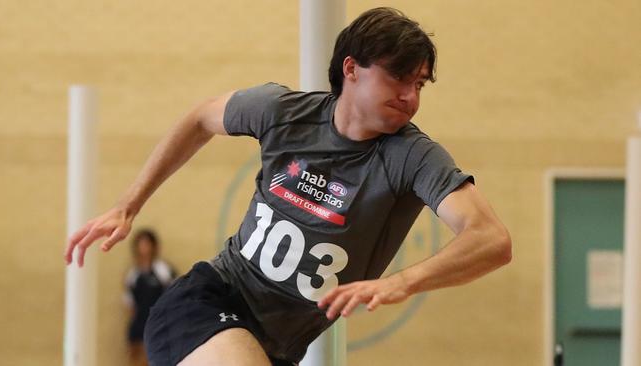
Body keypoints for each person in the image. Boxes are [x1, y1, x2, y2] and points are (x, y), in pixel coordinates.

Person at [64, 7, 512, 366]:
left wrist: (402, 282)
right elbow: (200, 117)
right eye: (398, 78)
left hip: (276, 349)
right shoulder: (282, 112)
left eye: (419, 84)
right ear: (351, 68)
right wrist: (128, 205)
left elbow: (490, 238)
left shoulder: (410, 156)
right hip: (206, 302)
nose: (410, 97)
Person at [123, 229, 176, 366]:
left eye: (147, 243)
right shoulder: (133, 274)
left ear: (154, 246)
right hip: (139, 325)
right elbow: (130, 304)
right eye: (141, 244)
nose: (144, 248)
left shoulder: (163, 270)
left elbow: (174, 296)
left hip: (159, 325)